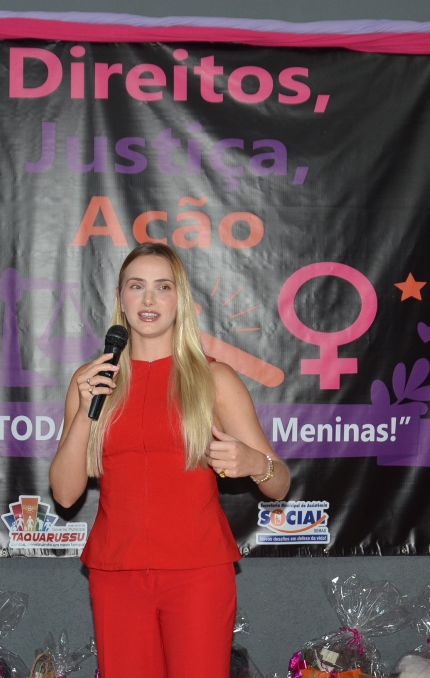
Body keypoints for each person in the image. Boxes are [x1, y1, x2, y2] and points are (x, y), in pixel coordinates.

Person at [49, 243, 290, 678]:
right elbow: (65, 494)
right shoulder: (90, 380)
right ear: (120, 297)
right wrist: (86, 409)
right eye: (136, 286)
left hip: (199, 574)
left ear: (181, 299)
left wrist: (255, 463)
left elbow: (280, 485)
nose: (148, 299)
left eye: (163, 287)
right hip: (116, 574)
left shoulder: (214, 378)